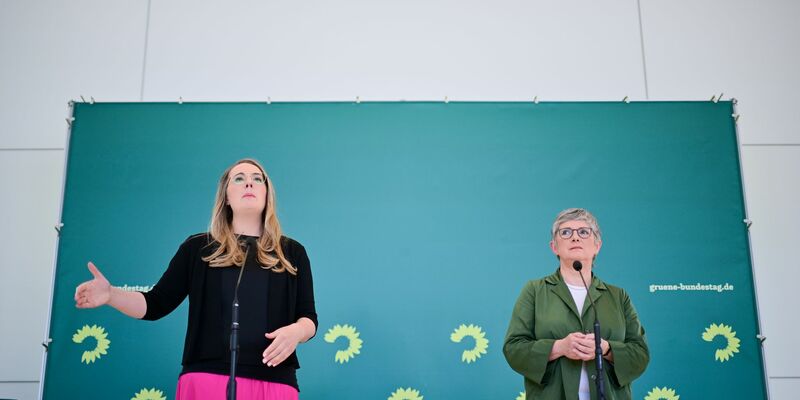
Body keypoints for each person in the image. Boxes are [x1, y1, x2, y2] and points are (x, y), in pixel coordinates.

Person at [74, 158, 317, 400]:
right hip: (206, 379)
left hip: (274, 382)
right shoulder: (198, 248)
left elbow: (308, 317)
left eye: (257, 179)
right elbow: (155, 304)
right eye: (239, 179)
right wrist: (110, 295)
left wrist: (297, 331)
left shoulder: (292, 252)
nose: (249, 184)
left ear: (267, 193)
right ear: (226, 196)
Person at [503, 208, 648, 400]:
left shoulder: (618, 296)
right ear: (554, 246)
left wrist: (606, 349)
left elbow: (640, 353)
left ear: (598, 245)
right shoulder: (535, 290)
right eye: (565, 232)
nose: (575, 238)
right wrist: (559, 347)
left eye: (584, 231)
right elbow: (514, 349)